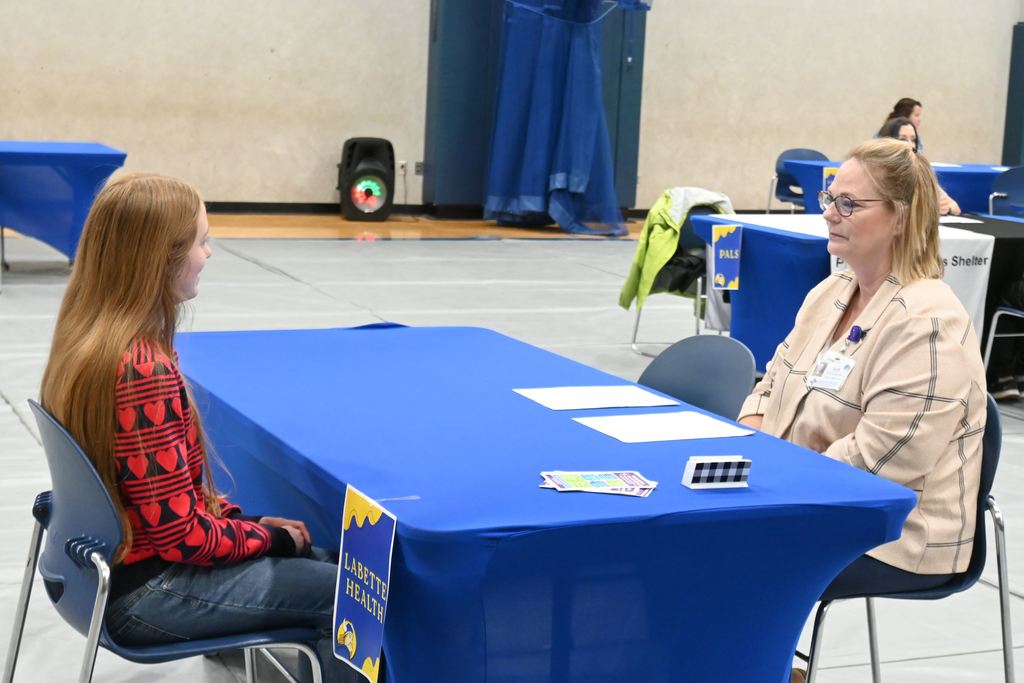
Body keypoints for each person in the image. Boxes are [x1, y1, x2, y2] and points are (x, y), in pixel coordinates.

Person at [39, 173, 358, 683]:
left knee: (325, 559)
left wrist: (253, 530)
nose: (208, 253)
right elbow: (181, 539)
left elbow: (159, 505)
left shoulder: (84, 339)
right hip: (147, 591)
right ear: (159, 259)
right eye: (200, 241)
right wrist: (266, 539)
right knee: (351, 598)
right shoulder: (142, 368)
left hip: (94, 572)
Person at [735, 139, 987, 683]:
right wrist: (750, 450)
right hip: (801, 495)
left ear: (900, 218)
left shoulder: (928, 321)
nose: (829, 211)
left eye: (850, 204)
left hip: (892, 531)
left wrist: (766, 483)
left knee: (721, 553)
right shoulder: (831, 291)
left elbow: (880, 465)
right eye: (831, 197)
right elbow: (770, 383)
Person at [878, 116, 961, 215]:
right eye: (903, 139)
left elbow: (955, 207)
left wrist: (948, 208)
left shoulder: (922, 171)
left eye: (913, 140)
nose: (911, 145)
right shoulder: (878, 174)